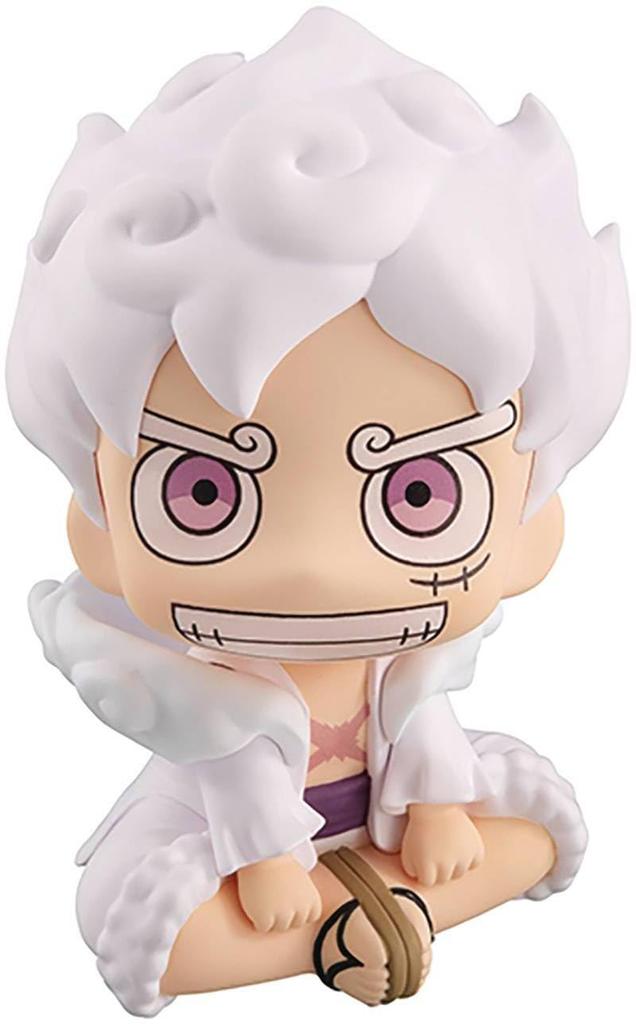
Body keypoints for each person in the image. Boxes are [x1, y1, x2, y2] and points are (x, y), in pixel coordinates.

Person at [8, 8, 629, 1017]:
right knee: (129, 917)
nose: (312, 565)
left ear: (531, 529)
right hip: (214, 850)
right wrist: (261, 863)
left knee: (537, 831)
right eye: (203, 493)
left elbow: (427, 731)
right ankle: (370, 922)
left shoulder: (416, 666)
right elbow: (226, 778)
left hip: (383, 832)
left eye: (419, 494)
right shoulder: (194, 692)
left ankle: (363, 920)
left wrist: (437, 809)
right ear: (99, 533)